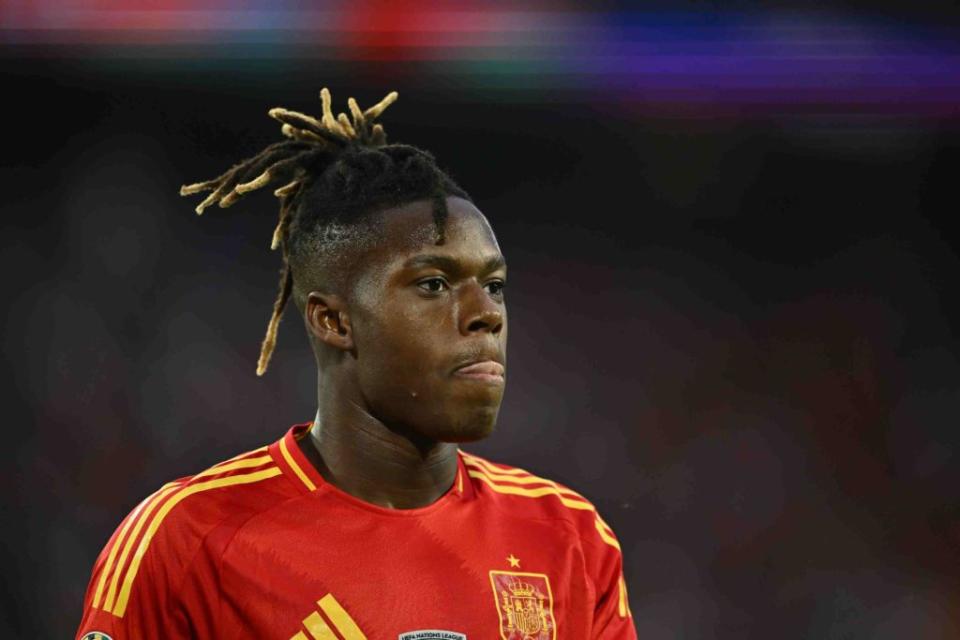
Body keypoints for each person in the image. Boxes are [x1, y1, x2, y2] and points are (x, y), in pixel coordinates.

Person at [76, 88, 636, 640]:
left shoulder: (569, 538)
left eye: (493, 285)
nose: (486, 314)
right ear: (334, 322)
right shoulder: (188, 540)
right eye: (434, 283)